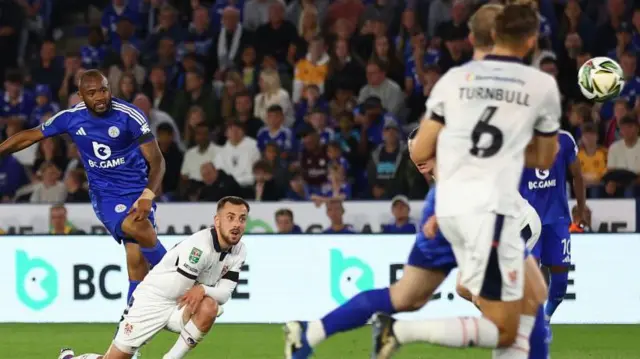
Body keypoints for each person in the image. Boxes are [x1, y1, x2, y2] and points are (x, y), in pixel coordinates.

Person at [386, 2, 559, 359]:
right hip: (490, 223)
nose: (418, 162)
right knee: (485, 293)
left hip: (515, 221)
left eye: (421, 154)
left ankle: (516, 336)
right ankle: (520, 337)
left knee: (499, 297)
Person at [0, 70, 167, 305]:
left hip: (138, 190)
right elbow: (31, 135)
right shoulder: (71, 118)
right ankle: (178, 274)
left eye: (103, 90)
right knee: (136, 225)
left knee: (135, 257)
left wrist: (147, 195)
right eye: (91, 93)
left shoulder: (130, 115)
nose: (100, 97)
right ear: (80, 95)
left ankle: (131, 323)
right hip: (105, 194)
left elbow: (157, 160)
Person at [58, 196, 249, 359]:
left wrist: (204, 290)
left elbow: (224, 294)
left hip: (181, 304)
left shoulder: (240, 251)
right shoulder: (200, 246)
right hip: (153, 301)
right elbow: (180, 288)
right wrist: (202, 290)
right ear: (217, 220)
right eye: (230, 218)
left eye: (241, 219)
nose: (236, 224)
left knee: (210, 306)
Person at [520, 129, 586, 341]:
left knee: (560, 284)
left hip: (557, 221)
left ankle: (546, 319)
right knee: (531, 280)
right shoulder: (514, 139)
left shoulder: (564, 139)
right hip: (527, 220)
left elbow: (577, 174)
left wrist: (581, 208)